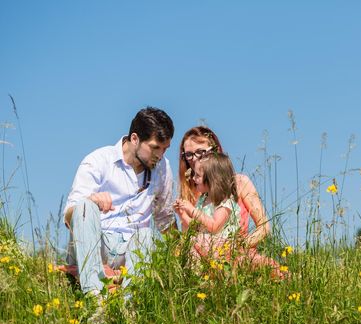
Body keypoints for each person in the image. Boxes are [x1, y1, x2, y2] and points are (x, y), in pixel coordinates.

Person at [63, 107, 176, 296]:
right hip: (97, 242)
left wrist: (181, 256)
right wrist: (91, 200)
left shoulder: (163, 167)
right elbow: (69, 217)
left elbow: (165, 218)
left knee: (146, 234)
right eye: (155, 147)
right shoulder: (98, 160)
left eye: (165, 149)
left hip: (132, 249)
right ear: (135, 139)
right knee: (83, 205)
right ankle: (94, 297)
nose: (160, 155)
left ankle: (130, 304)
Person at [175, 126, 284, 277]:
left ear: (215, 151)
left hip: (236, 256)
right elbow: (189, 235)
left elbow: (264, 227)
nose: (194, 159)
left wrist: (237, 247)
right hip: (203, 260)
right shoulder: (193, 193)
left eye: (200, 152)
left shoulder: (239, 182)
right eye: (188, 154)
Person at [174, 152, 242, 260]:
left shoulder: (225, 203)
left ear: (212, 179)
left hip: (222, 249)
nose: (193, 178)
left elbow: (214, 227)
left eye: (198, 175)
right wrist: (182, 214)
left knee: (193, 241)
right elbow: (196, 227)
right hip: (205, 244)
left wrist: (191, 210)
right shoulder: (202, 199)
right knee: (190, 243)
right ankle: (194, 275)